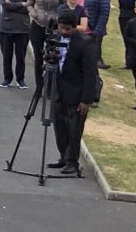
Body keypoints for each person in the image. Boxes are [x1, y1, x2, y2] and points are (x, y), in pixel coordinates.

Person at [47, 10, 98, 175]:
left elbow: (91, 73)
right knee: (59, 125)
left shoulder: (85, 43)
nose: (64, 32)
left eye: (67, 29)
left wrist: (86, 100)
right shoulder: (56, 38)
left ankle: (72, 161)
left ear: (74, 27)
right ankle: (63, 156)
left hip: (77, 92)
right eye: (61, 28)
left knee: (74, 128)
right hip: (59, 89)